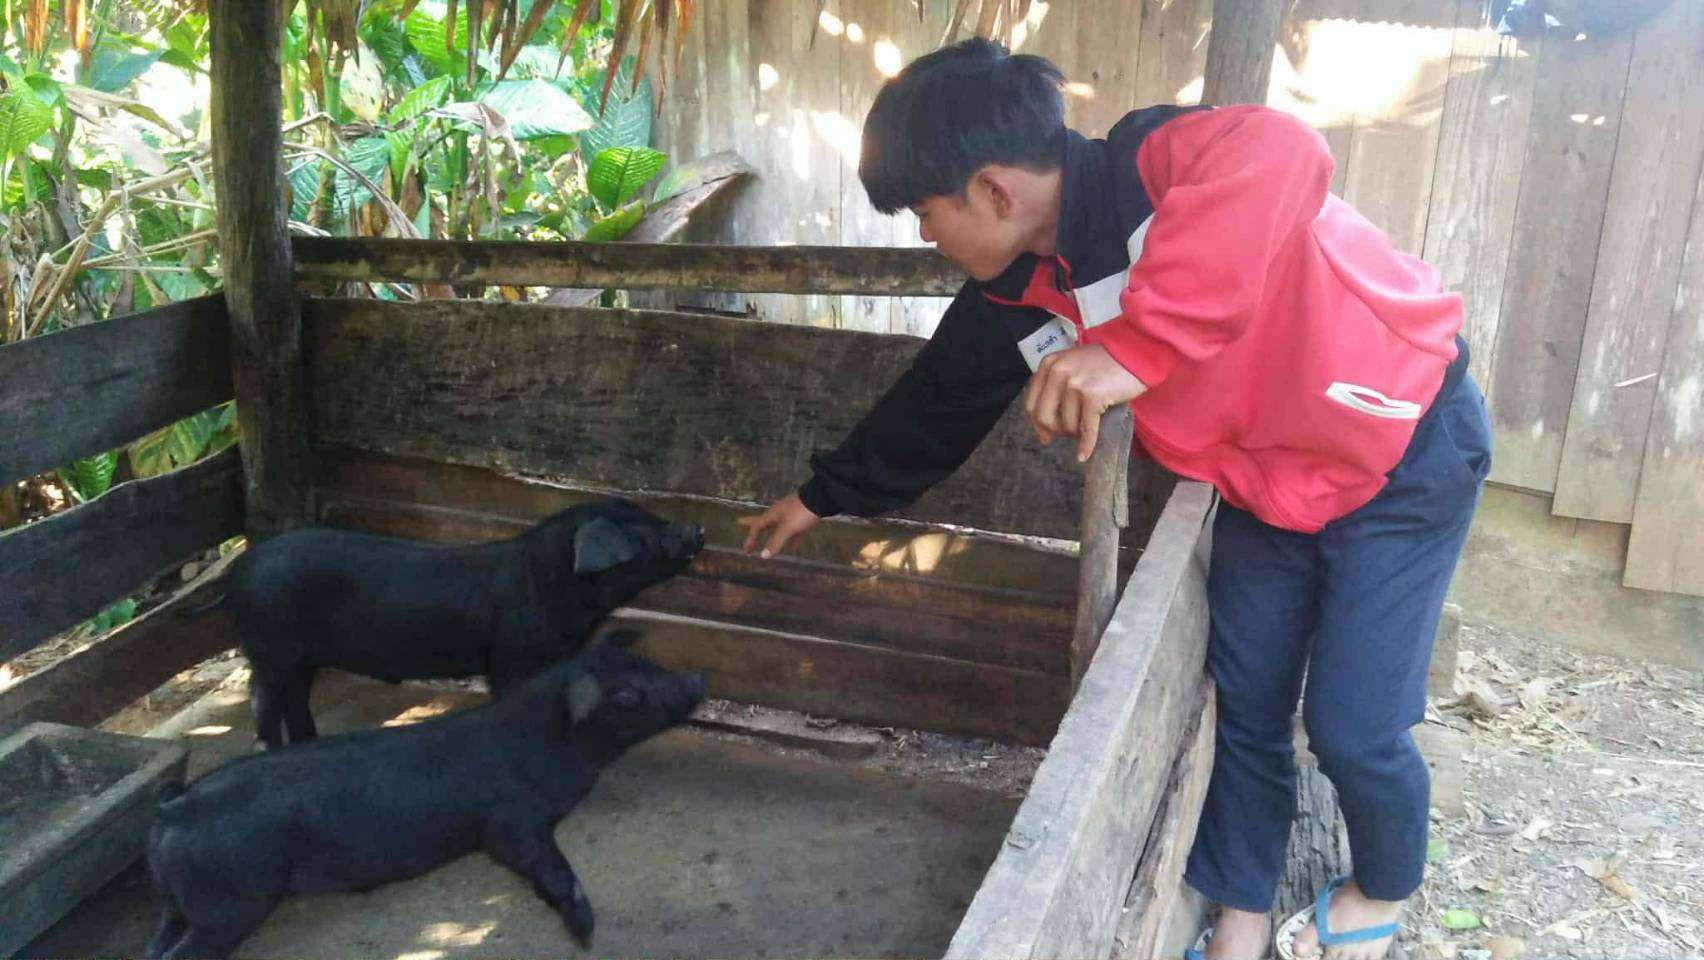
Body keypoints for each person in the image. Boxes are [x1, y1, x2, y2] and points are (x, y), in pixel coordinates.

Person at [737, 38, 1490, 960]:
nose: (926, 238)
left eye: (927, 215)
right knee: (1246, 700)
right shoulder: (1015, 290)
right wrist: (820, 497)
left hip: (1404, 446)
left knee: (1353, 725)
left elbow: (1282, 153)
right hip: (1262, 483)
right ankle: (1242, 905)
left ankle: (1384, 884)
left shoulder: (1154, 163)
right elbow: (933, 406)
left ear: (994, 192)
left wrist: (1139, 343)